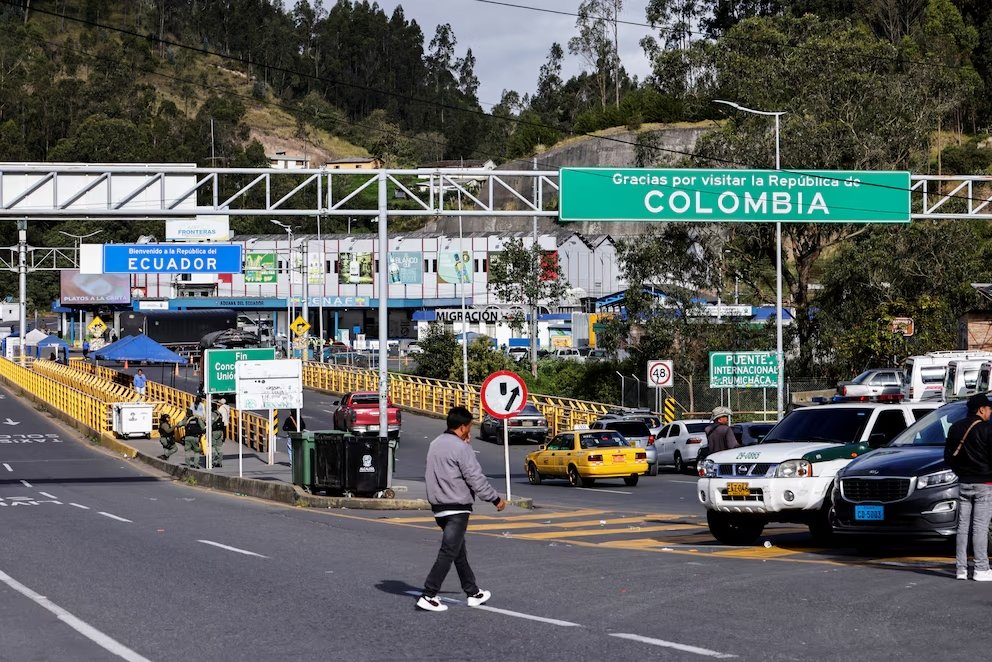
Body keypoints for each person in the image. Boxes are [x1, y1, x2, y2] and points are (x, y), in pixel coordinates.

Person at [416, 406, 506, 613]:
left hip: (439, 506)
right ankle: (429, 595)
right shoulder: (461, 448)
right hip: (456, 507)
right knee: (449, 551)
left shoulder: (435, 443)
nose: (470, 431)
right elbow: (475, 477)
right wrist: (494, 499)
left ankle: (473, 592)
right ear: (463, 427)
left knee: (458, 551)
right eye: (469, 427)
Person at [944, 393, 992, 581]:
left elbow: (948, 457)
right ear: (981, 409)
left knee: (962, 527)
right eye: (989, 408)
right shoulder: (987, 429)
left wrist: (961, 472)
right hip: (984, 483)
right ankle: (981, 568)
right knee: (980, 527)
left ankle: (961, 569)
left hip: (963, 482)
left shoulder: (955, 428)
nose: (990, 412)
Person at [209, 402, 225, 467]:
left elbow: (210, 423)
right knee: (219, 448)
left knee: (213, 447)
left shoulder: (213, 414)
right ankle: (219, 462)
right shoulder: (220, 414)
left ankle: (211, 462)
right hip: (220, 432)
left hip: (214, 432)